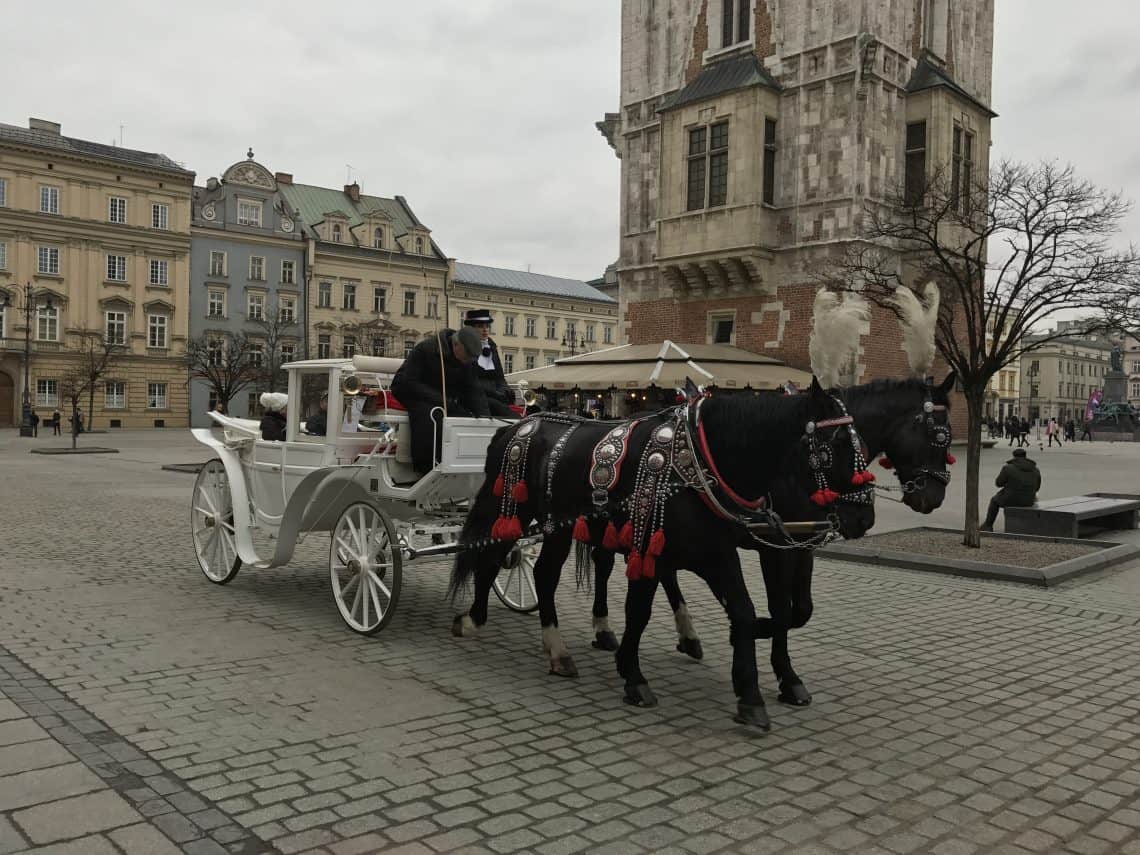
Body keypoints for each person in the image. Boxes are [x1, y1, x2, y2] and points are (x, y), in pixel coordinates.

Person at [391, 326, 488, 474]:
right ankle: (426, 467)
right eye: (467, 356)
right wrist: (446, 402)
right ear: (456, 345)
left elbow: (472, 388)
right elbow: (409, 382)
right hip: (409, 390)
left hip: (442, 393)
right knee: (432, 414)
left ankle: (468, 461)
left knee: (471, 414)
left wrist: (483, 416)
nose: (468, 361)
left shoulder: (466, 359)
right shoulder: (425, 349)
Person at [463, 308, 519, 420]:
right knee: (511, 417)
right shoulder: (465, 348)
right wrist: (495, 393)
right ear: (471, 329)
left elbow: (500, 377)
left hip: (495, 397)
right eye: (480, 326)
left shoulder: (492, 347)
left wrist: (505, 390)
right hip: (476, 398)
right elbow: (470, 381)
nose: (485, 330)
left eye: (487, 326)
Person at [980, 448, 1041, 532]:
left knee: (994, 501)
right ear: (1025, 456)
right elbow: (1037, 487)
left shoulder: (1008, 468)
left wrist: (1009, 483)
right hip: (1029, 500)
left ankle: (988, 525)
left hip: (1011, 499)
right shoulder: (1035, 469)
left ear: (1014, 457)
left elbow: (998, 483)